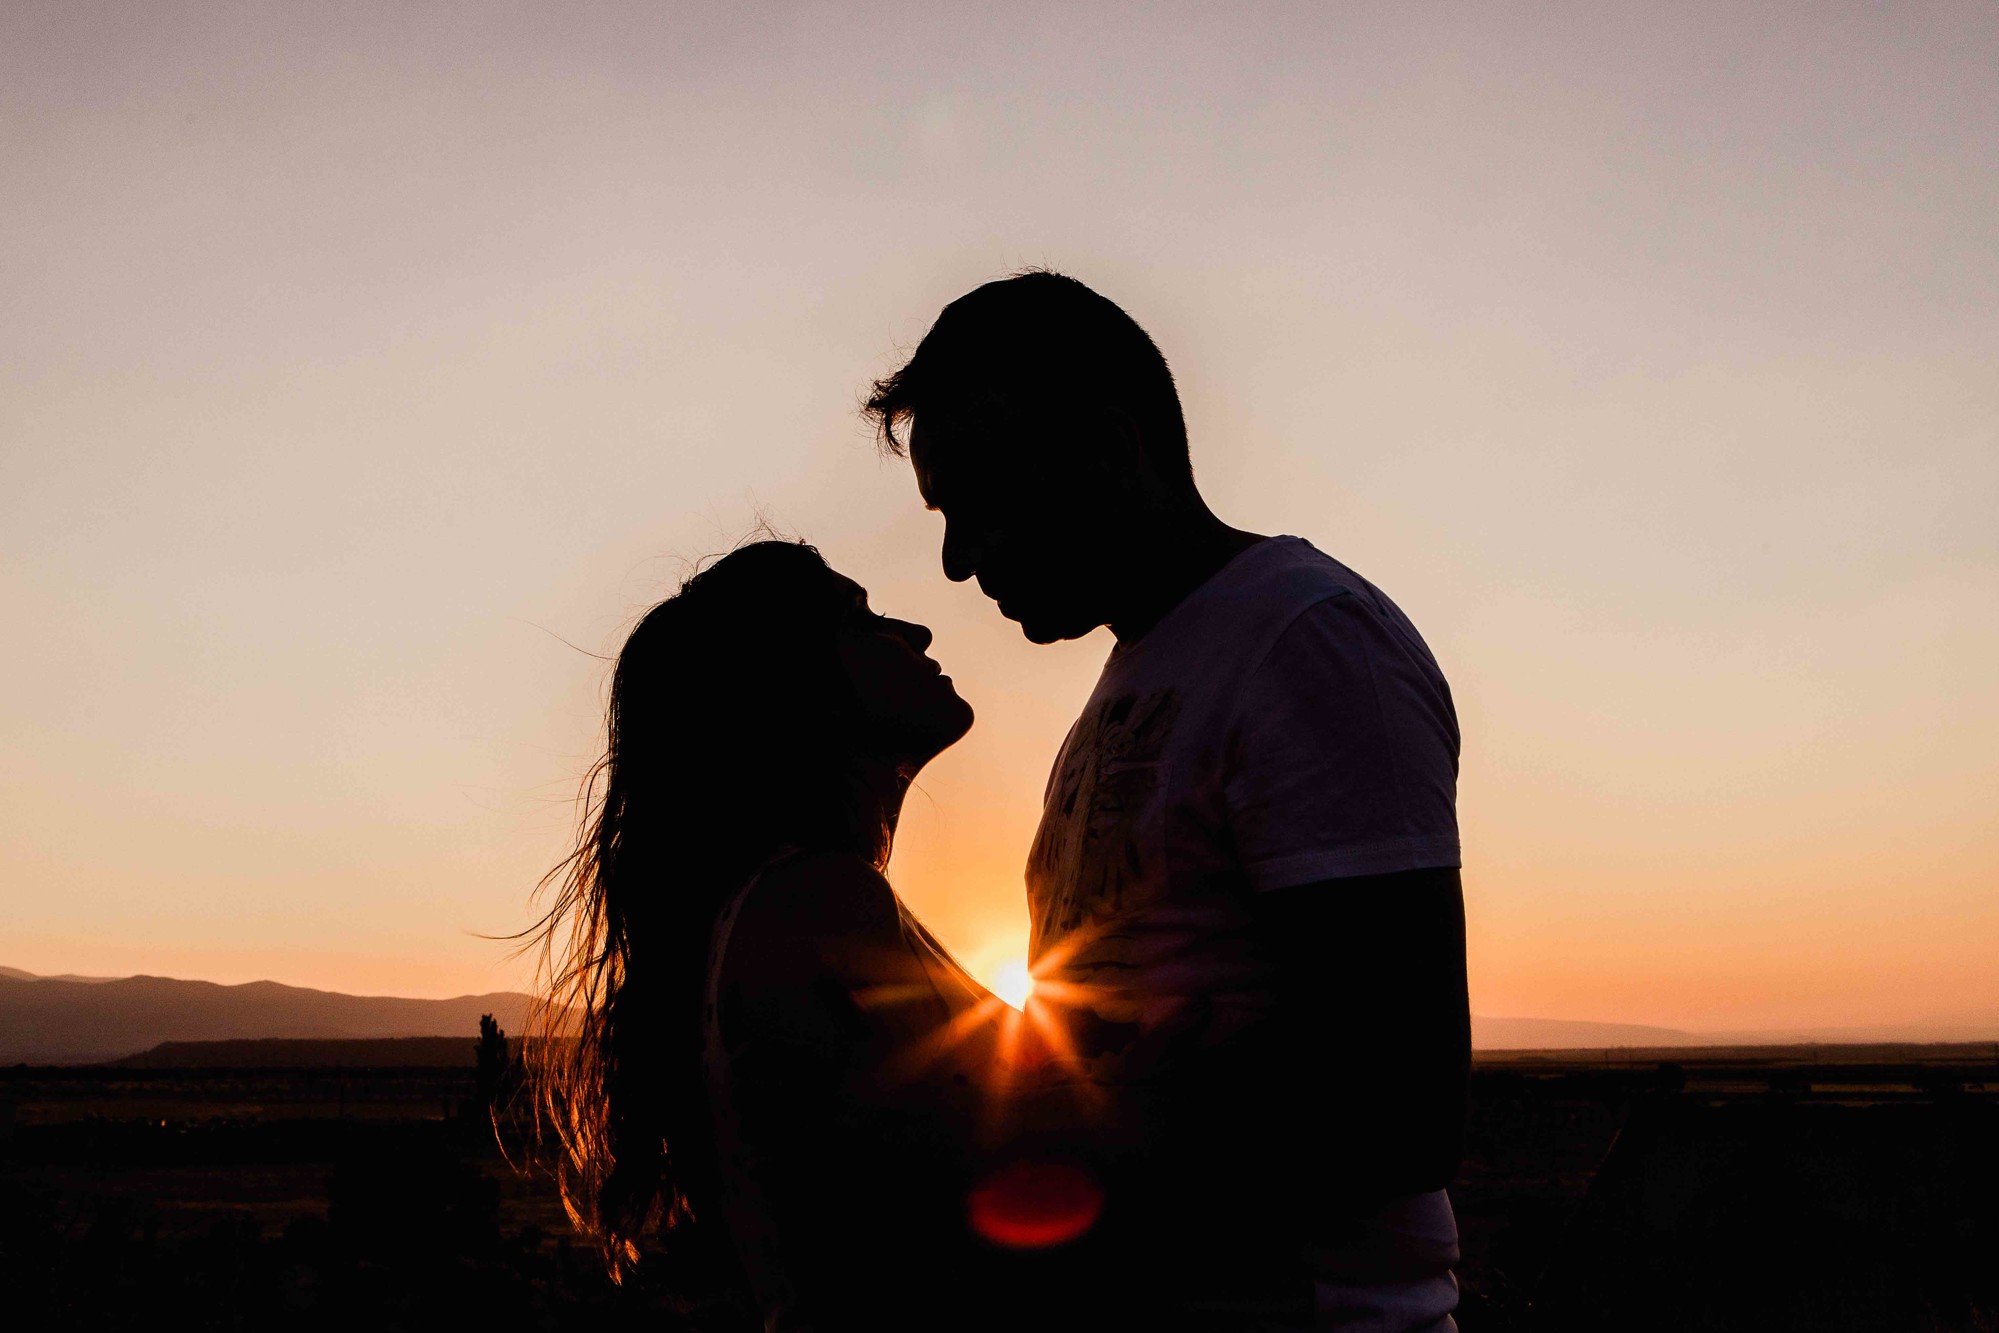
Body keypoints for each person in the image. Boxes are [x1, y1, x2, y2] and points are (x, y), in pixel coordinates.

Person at [865, 271, 1472, 1330]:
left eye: (978, 504)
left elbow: (1403, 1099)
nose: (958, 561)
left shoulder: (1305, 638)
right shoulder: (1135, 686)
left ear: (1106, 446)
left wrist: (1091, 1117)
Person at [527, 540, 1039, 1331]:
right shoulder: (818, 905)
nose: (916, 631)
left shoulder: (793, 901)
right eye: (861, 619)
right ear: (793, 685)